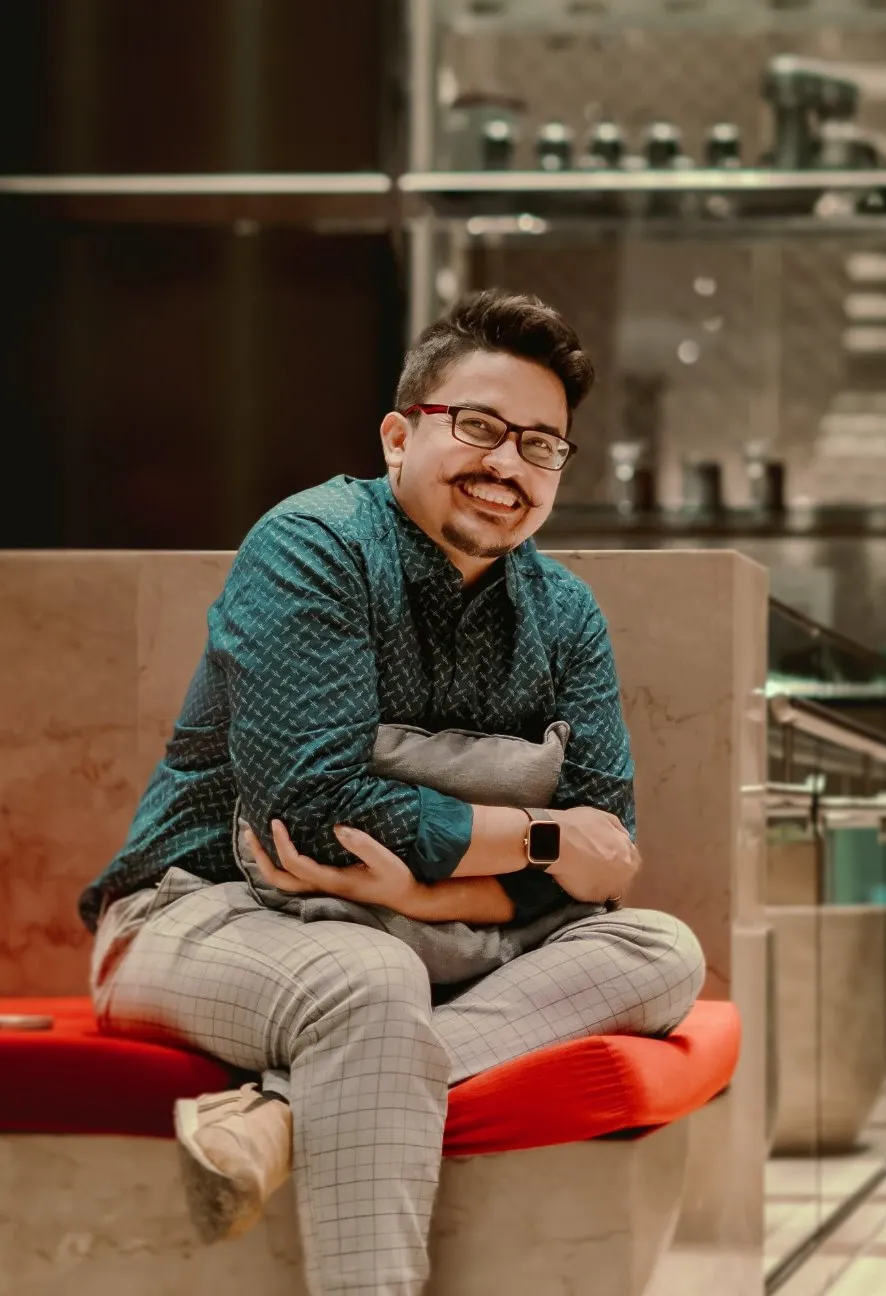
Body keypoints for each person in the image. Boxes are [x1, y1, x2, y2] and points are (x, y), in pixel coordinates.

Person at [79, 288, 705, 1296]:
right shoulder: (313, 546)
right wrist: (540, 841)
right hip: (198, 913)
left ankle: (278, 1111)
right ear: (397, 434)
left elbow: (608, 855)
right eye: (479, 428)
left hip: (431, 936)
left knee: (659, 951)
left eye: (539, 445)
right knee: (364, 984)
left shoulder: (564, 614)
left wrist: (418, 894)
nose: (506, 465)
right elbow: (313, 814)